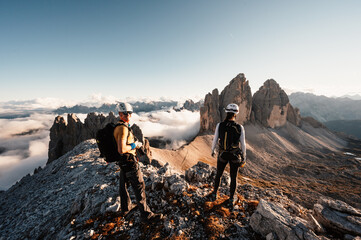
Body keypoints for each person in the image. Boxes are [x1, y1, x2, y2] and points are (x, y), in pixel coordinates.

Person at [114, 102, 162, 221]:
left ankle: (125, 209)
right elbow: (121, 149)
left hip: (123, 162)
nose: (128, 115)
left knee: (123, 186)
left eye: (129, 113)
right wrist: (134, 145)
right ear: (120, 114)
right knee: (139, 186)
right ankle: (147, 215)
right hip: (129, 162)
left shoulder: (119, 126)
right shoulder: (123, 129)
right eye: (125, 113)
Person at [209, 103, 246, 207]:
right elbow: (243, 144)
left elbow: (215, 139)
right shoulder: (240, 127)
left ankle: (214, 193)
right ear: (236, 113)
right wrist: (244, 157)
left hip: (222, 154)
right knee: (233, 177)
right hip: (234, 156)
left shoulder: (220, 125)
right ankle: (231, 199)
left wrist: (213, 150)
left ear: (226, 112)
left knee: (219, 174)